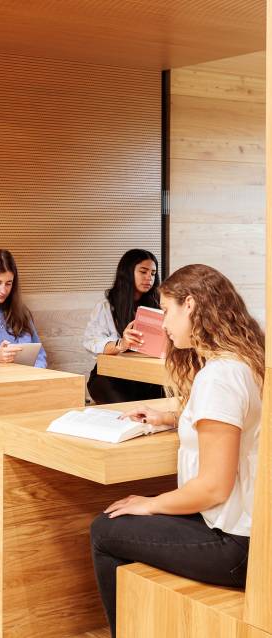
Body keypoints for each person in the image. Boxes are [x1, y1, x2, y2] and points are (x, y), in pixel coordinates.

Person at [89, 264, 261, 637]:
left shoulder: (220, 377)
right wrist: (169, 417)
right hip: (242, 532)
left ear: (192, 306)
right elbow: (225, 420)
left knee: (105, 528)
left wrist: (150, 503)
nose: (163, 324)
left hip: (233, 544)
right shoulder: (241, 363)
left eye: (166, 311)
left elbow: (214, 488)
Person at [83, 248, 164, 404]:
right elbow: (91, 342)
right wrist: (122, 344)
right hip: (111, 375)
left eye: (153, 274)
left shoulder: (159, 305)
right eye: (143, 272)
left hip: (148, 376)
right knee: (128, 409)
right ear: (127, 272)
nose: (149, 278)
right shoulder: (106, 307)